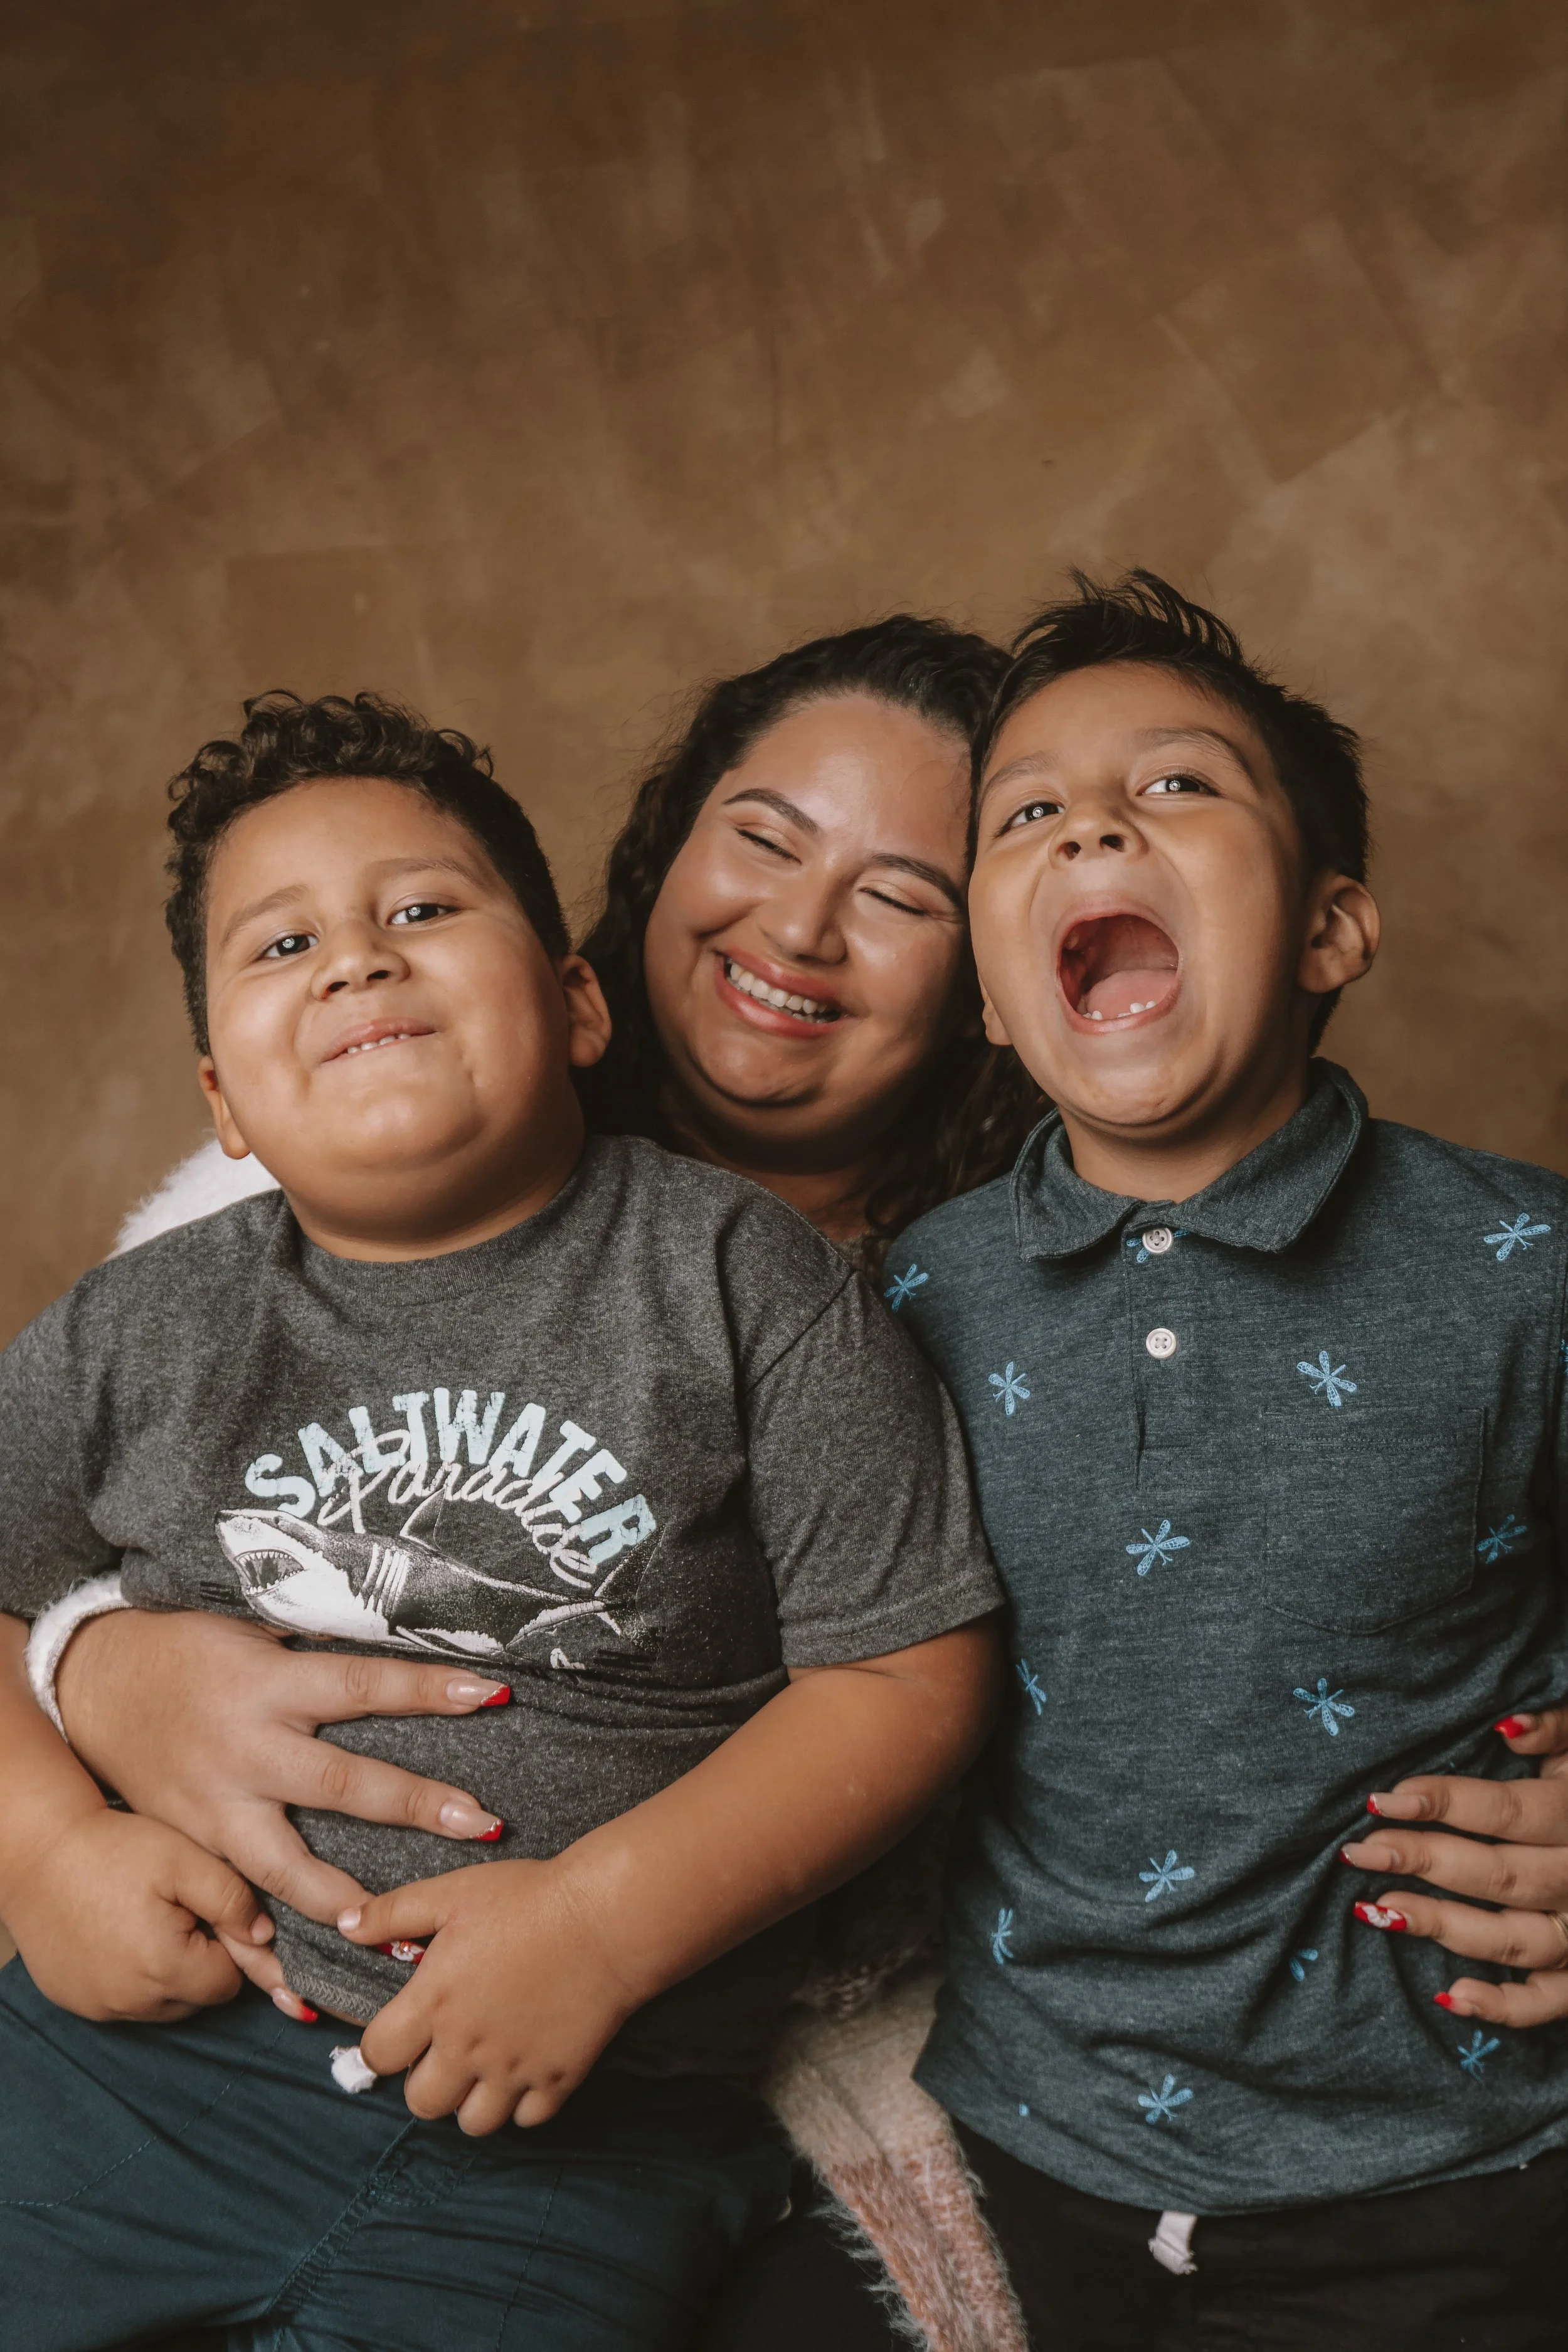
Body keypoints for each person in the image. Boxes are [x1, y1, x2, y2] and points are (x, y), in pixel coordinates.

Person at [0, 690, 1005, 2352]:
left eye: (420, 909)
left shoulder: (747, 1285)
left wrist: (606, 1926)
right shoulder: (142, 1327)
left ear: (575, 999)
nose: (356, 959)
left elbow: (907, 1670)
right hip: (152, 2065)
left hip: (584, 2127)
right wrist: (44, 1847)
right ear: (225, 1102)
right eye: (284, 944)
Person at [892, 571, 1568, 2347]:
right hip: (1019, 2154)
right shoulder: (906, 1299)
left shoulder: (1523, 1265)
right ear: (991, 992)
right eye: (1025, 814)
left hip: (1444, 2183)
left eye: (1176, 785)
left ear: (1333, 927)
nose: (1092, 825)